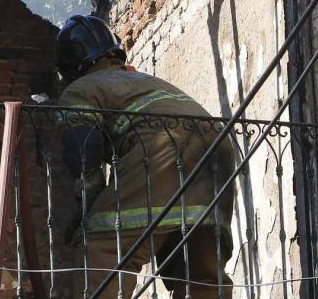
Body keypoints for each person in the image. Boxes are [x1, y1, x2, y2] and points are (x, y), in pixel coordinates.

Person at [53, 15, 235, 298]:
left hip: (166, 149)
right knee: (199, 268)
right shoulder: (145, 80)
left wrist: (88, 204)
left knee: (102, 245)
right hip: (218, 151)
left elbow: (82, 148)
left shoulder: (82, 89)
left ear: (69, 67)